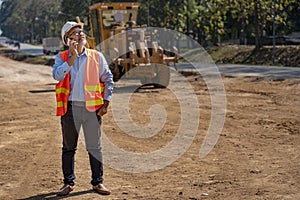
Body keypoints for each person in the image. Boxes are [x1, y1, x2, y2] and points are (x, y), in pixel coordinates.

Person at [52, 21, 114, 196]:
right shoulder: (62, 57)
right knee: (68, 148)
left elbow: (108, 79)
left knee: (94, 147)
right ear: (68, 40)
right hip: (70, 109)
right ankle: (68, 183)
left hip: (92, 109)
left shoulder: (96, 56)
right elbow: (57, 76)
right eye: (76, 32)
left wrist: (106, 103)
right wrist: (72, 57)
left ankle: (97, 182)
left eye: (81, 31)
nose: (81, 34)